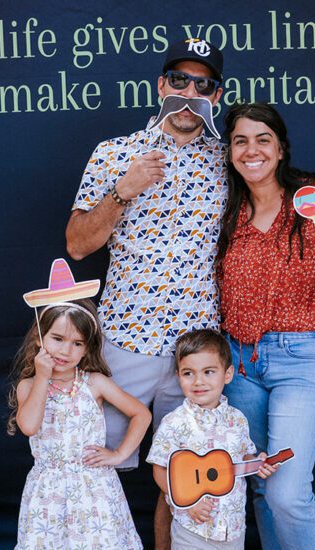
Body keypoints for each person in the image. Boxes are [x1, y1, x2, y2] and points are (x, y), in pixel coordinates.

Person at [65, 37, 227, 548]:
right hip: (124, 341)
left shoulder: (230, 162)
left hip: (196, 349)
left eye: (202, 85)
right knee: (92, 464)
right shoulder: (115, 154)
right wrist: (122, 190)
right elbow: (77, 244)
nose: (188, 94)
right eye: (179, 80)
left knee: (184, 476)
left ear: (215, 97)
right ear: (161, 86)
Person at [217, 102, 315, 550]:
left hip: (302, 359)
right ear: (229, 152)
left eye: (262, 139)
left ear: (280, 148)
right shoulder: (228, 208)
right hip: (240, 364)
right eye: (240, 140)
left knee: (286, 491)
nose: (251, 150)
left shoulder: (313, 198)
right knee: (262, 487)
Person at [8, 297, 151, 549]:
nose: (65, 351)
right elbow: (29, 426)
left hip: (94, 491)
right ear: (40, 338)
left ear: (87, 348)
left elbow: (141, 414)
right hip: (48, 494)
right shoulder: (29, 385)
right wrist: (42, 377)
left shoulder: (94, 383)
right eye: (57, 339)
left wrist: (119, 454)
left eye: (77, 343)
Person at [147, 329, 279, 549]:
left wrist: (259, 463)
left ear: (227, 374)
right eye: (188, 373)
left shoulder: (237, 419)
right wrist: (186, 501)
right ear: (178, 375)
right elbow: (160, 469)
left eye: (209, 372)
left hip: (232, 529)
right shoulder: (174, 422)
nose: (198, 381)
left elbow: (243, 457)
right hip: (192, 528)